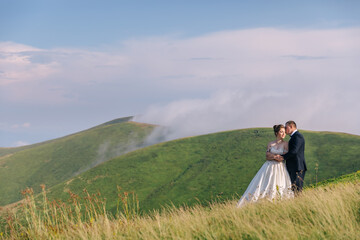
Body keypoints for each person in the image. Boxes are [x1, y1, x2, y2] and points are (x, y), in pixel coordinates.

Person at [237, 124, 293, 207]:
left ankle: (277, 202)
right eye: (281, 132)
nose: (283, 134)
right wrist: (275, 156)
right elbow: (267, 156)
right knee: (264, 183)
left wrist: (273, 156)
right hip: (269, 166)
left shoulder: (286, 144)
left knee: (279, 184)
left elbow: (282, 158)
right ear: (276, 133)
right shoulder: (271, 144)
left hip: (279, 167)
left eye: (284, 132)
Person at [279, 120, 307, 194]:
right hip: (294, 167)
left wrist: (283, 157)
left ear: (291, 126)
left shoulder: (298, 136)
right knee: (294, 188)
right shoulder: (294, 137)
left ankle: (299, 204)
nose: (285, 129)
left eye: (286, 127)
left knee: (297, 189)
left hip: (297, 167)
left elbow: (294, 151)